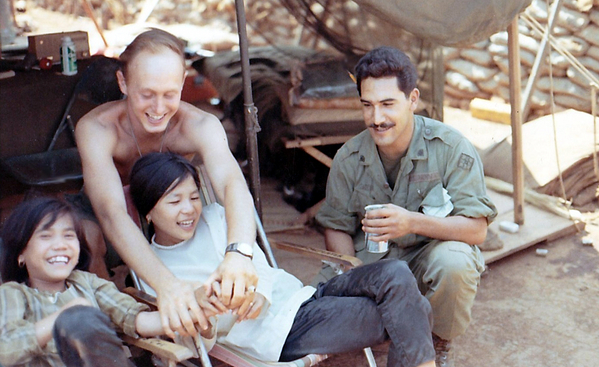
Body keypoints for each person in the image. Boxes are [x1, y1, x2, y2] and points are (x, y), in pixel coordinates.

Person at [128, 152, 436, 367]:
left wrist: (259, 293)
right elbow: (194, 344)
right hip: (282, 334)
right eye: (175, 201)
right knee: (413, 309)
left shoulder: (217, 217)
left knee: (395, 272)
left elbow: (257, 265)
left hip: (303, 297)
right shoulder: (155, 271)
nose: (189, 209)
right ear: (149, 212)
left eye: (194, 196)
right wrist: (209, 320)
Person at [314, 46, 498, 367]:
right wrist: (350, 268)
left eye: (388, 104)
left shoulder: (451, 148)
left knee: (455, 263)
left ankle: (437, 341)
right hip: (373, 267)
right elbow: (336, 224)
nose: (377, 118)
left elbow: (476, 228)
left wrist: (411, 223)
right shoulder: (348, 157)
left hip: (425, 263)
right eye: (367, 106)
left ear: (412, 99)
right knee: (317, 306)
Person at [74, 28, 258, 339]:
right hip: (115, 215)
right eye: (147, 94)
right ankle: (113, 336)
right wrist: (166, 284)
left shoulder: (199, 124)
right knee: (90, 239)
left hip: (169, 212)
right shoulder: (97, 128)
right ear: (123, 83)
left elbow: (232, 184)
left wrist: (239, 255)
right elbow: (111, 213)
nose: (159, 108)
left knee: (211, 227)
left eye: (170, 94)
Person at [0, 197, 189, 367]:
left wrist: (193, 308)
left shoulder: (87, 283)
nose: (60, 245)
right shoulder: (13, 294)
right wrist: (63, 317)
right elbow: (5, 350)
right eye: (45, 236)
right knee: (78, 319)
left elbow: (139, 320)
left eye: (68, 235)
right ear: (21, 253)